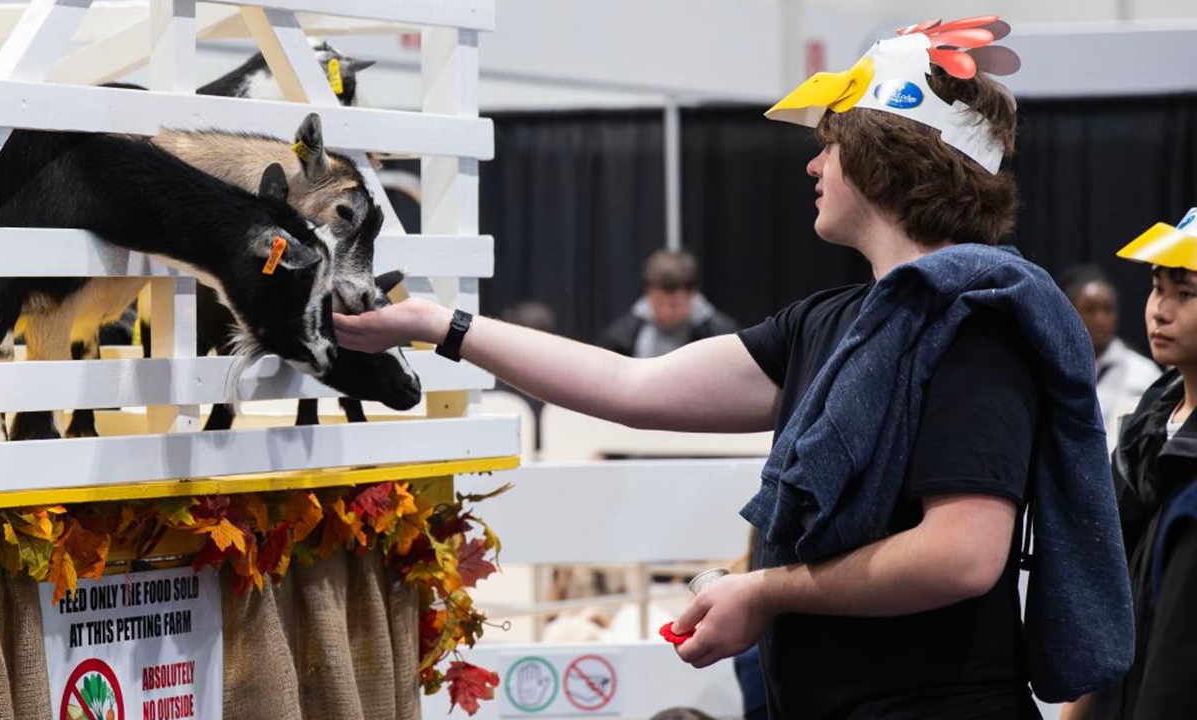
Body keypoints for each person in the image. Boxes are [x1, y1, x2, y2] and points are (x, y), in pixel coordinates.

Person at [334, 16, 1132, 720]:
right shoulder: (837, 322)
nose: (814, 167)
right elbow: (631, 387)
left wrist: (767, 590)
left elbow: (961, 556)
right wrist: (436, 325)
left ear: (884, 159)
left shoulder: (974, 322)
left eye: (830, 143)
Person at [1073, 209, 1197, 720]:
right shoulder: (1150, 421)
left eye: (1185, 294)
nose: (1160, 311)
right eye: (1155, 288)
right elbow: (1113, 581)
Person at [1057, 264, 1161, 449]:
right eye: (1090, 310)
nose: (1100, 319)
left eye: (1108, 309)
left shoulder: (1143, 373)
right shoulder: (1055, 369)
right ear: (1071, 313)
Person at [603, 249, 738, 358]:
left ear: (692, 295)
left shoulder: (721, 335)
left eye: (674, 305)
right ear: (647, 295)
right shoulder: (623, 335)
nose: (666, 312)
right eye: (658, 304)